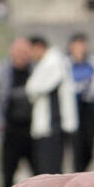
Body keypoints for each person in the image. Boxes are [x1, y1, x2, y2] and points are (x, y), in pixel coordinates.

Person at [0, 38, 34, 187]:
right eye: (19, 52)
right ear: (11, 52)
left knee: (41, 175)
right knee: (7, 177)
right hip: (10, 132)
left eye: (25, 52)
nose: (22, 56)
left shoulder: (37, 70)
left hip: (33, 132)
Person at [25, 35, 78, 175]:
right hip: (49, 128)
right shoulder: (48, 62)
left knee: (50, 172)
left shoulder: (52, 62)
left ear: (38, 47)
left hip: (53, 127)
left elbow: (33, 88)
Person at [66, 33, 94, 173]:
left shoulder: (93, 62)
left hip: (89, 108)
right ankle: (77, 174)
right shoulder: (65, 64)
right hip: (72, 109)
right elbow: (67, 86)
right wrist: (80, 88)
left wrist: (84, 90)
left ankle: (82, 170)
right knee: (76, 147)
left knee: (89, 148)